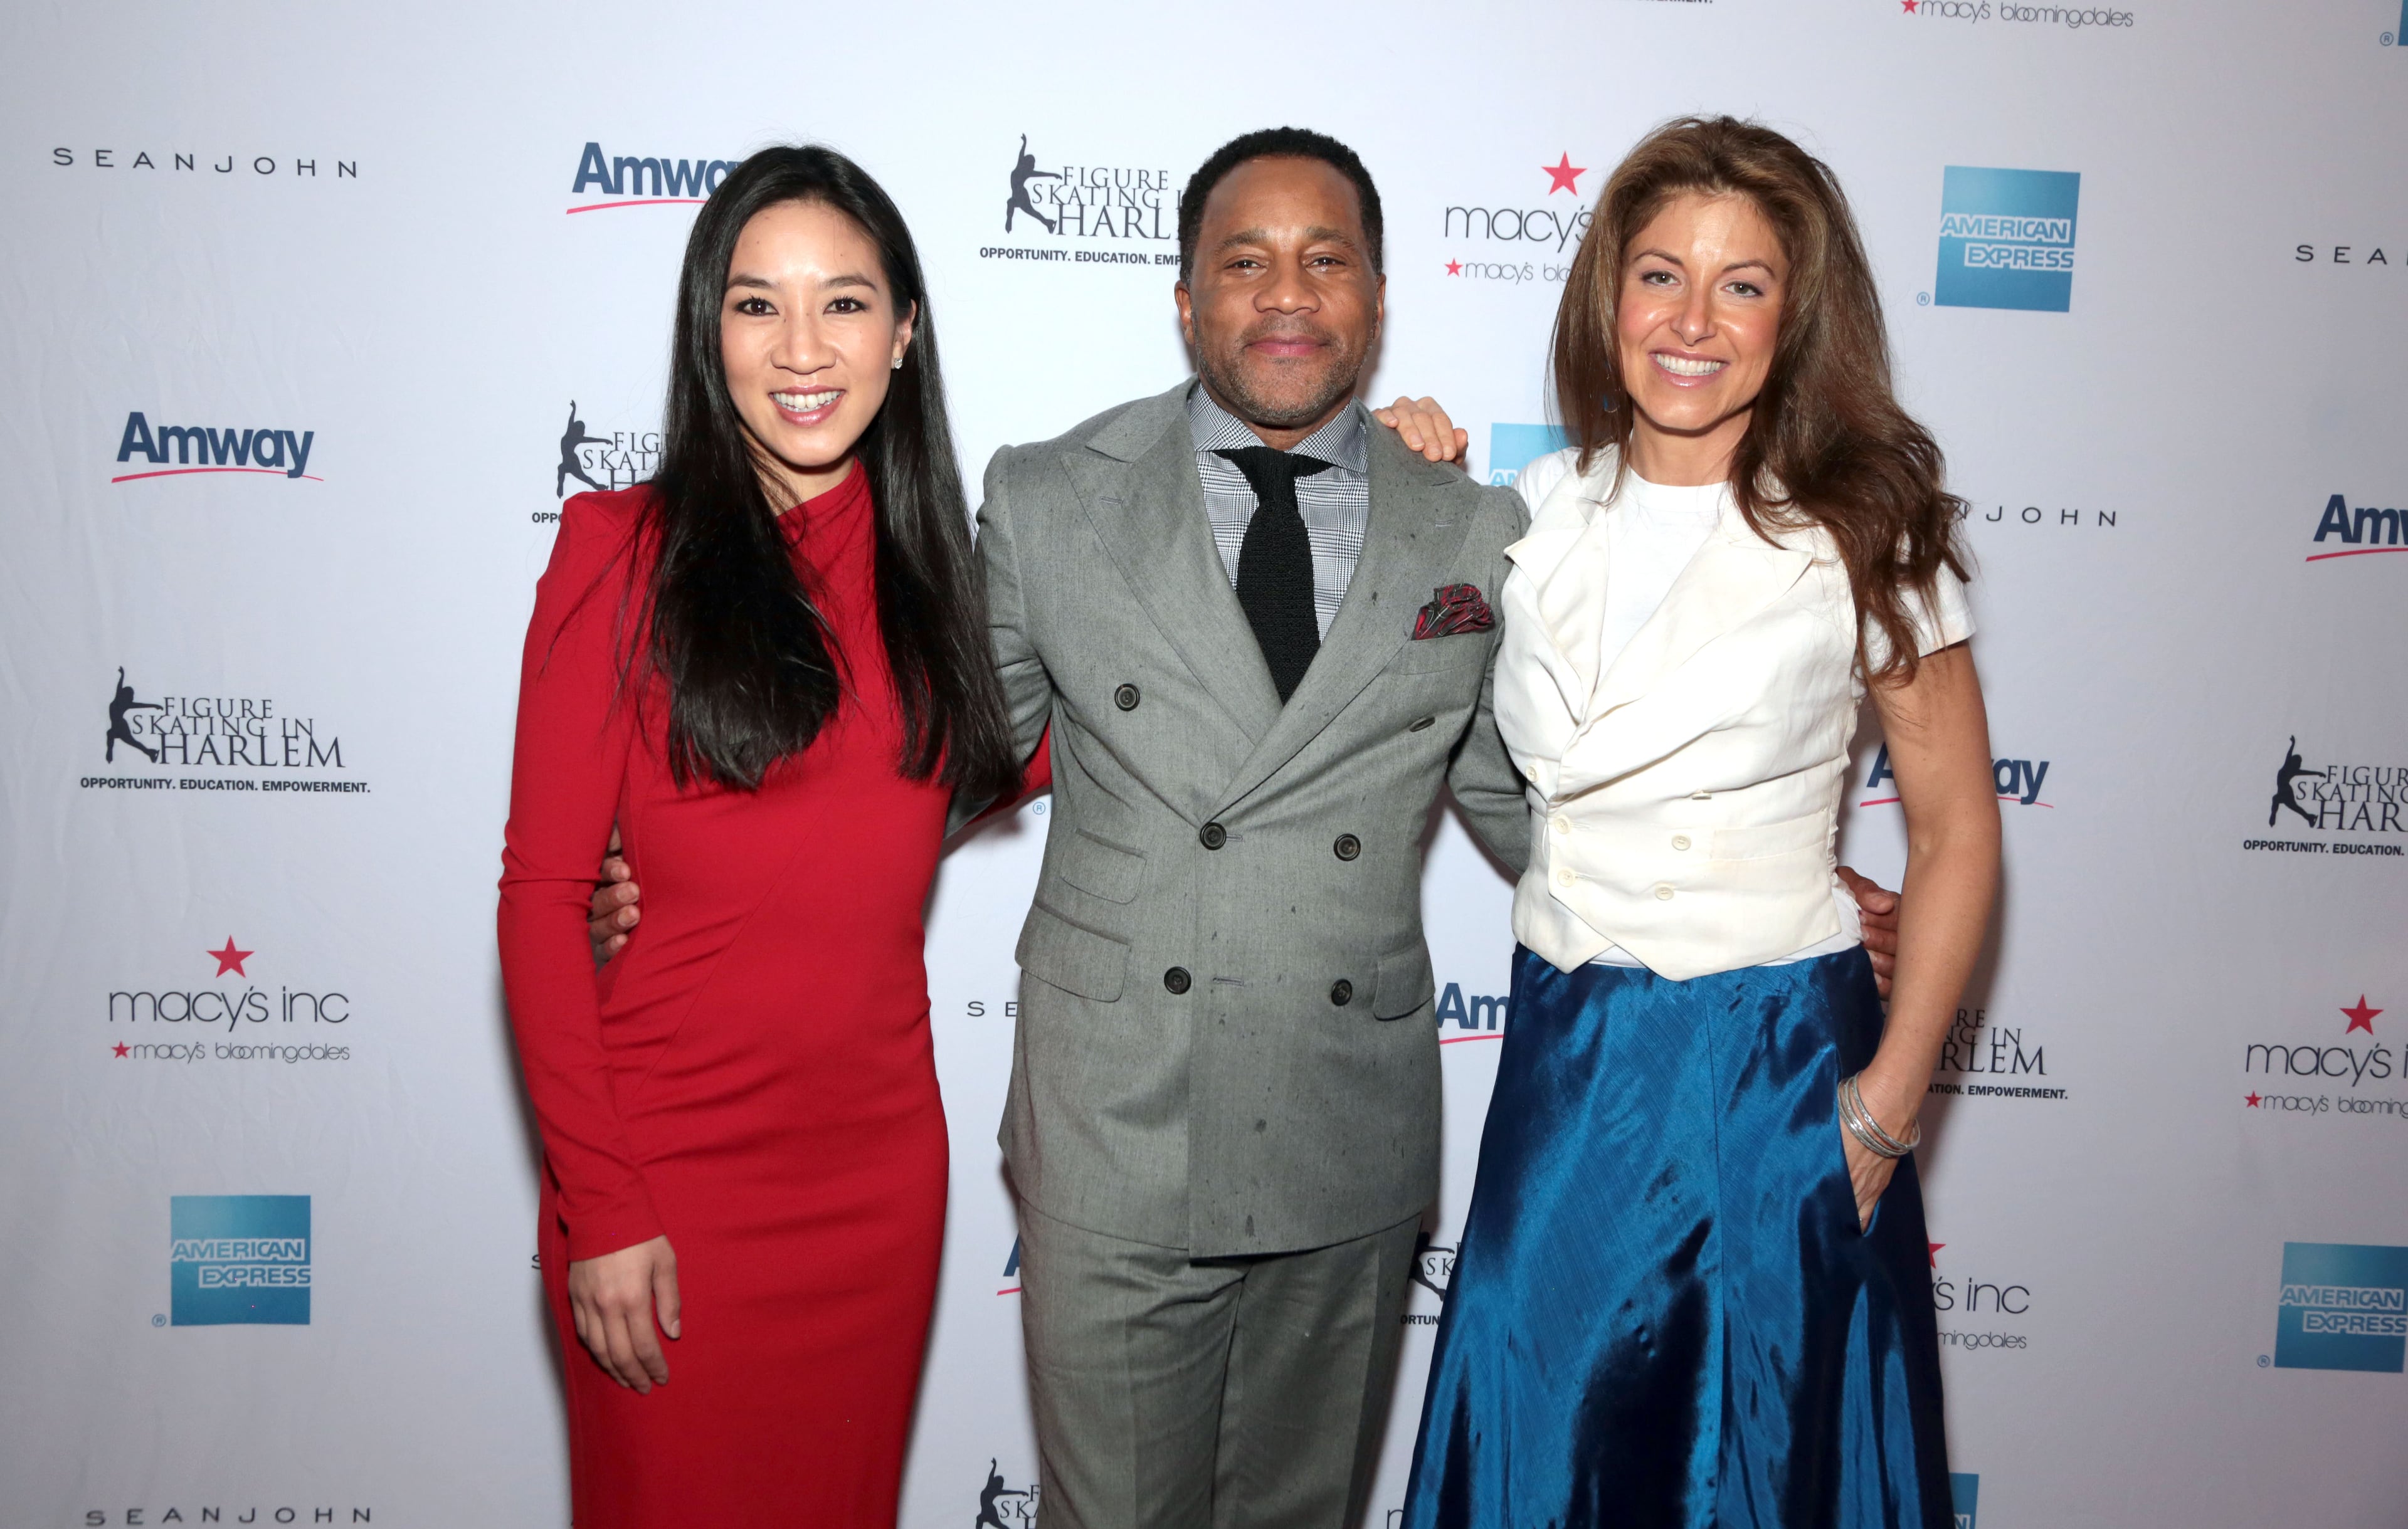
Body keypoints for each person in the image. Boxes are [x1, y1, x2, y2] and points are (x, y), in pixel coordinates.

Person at [589, 127, 1909, 1529]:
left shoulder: (1469, 530)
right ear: (1184, 300)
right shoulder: (1049, 497)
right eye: (1246, 261)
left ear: (1379, 298)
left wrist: (1769, 884)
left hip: (1342, 1136)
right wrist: (680, 863)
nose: (1288, 293)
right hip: (1115, 1132)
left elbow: (1542, 808)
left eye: (1326, 259)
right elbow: (929, 760)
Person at [1401, 117, 2000, 1529]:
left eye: (1742, 285)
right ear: (1607, 296)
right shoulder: (1517, 517)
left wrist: (1888, 1108)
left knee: (1766, 1468)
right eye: (1660, 273)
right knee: (1540, 1450)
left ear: (1795, 320)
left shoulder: (1862, 532)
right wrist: (1381, 460)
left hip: (1777, 1068)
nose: (1691, 320)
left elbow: (1962, 830)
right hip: (1568, 1061)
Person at [497, 145, 1024, 1527]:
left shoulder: (954, 587)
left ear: (904, 335)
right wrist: (601, 1205)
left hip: (875, 1192)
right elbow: (545, 896)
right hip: (663, 1182)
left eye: (845, 304)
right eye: (756, 304)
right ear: (707, 330)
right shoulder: (620, 548)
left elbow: (1117, 695)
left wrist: (1372, 473)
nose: (803, 348)